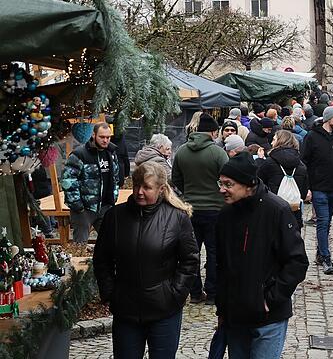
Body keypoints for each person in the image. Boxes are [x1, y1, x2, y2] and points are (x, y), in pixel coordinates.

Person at [94, 161, 199, 359]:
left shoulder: (177, 218)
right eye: (136, 186)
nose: (139, 192)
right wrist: (110, 293)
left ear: (161, 189)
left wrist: (175, 293)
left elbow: (190, 260)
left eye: (147, 187)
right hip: (126, 309)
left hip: (164, 309)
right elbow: (102, 259)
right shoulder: (115, 217)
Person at [216, 152, 309, 359]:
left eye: (228, 184)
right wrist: (222, 307)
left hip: (268, 318)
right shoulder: (225, 214)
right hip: (236, 317)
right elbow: (221, 264)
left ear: (248, 185)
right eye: (220, 183)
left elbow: (297, 261)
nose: (222, 189)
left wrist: (271, 299)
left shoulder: (277, 210)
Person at [172, 113, 228, 305]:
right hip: (215, 209)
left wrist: (188, 192)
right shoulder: (218, 153)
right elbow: (227, 179)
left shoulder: (181, 151)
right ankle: (212, 293)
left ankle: (195, 293)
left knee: (191, 253)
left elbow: (176, 178)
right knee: (214, 253)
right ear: (213, 132)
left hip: (190, 209)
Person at [301, 106, 333, 275]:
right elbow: (304, 162)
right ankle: (327, 258)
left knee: (327, 222)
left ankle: (320, 253)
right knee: (323, 222)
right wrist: (307, 187)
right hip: (318, 187)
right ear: (328, 119)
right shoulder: (312, 137)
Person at [61, 122, 120, 244]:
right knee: (80, 245)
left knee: (111, 242)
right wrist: (77, 205)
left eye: (108, 137)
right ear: (94, 135)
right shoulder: (79, 154)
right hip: (84, 208)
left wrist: (113, 198)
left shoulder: (111, 153)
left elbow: (115, 178)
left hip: (105, 206)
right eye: (102, 137)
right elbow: (68, 180)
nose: (105, 140)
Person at [258, 130, 309, 228]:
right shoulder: (301, 165)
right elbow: (303, 193)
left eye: (274, 140)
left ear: (280, 141)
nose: (271, 143)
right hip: (294, 213)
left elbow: (259, 183)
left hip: (272, 211)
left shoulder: (269, 163)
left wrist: (260, 160)